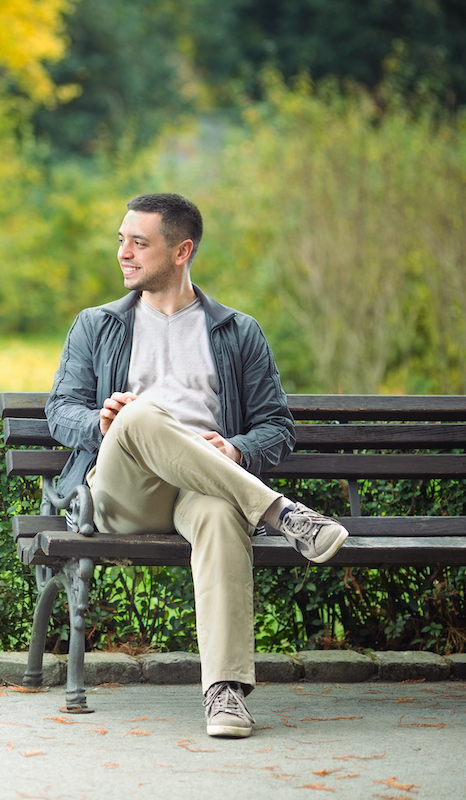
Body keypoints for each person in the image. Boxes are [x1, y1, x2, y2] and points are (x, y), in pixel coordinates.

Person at [45, 192, 348, 739]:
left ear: (181, 250)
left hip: (198, 487)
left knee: (219, 512)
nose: (124, 253)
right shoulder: (97, 325)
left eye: (140, 243)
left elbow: (276, 427)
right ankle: (281, 512)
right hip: (124, 492)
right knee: (137, 414)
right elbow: (59, 411)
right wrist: (102, 422)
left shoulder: (236, 332)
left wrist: (235, 450)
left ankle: (225, 694)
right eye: (121, 240)